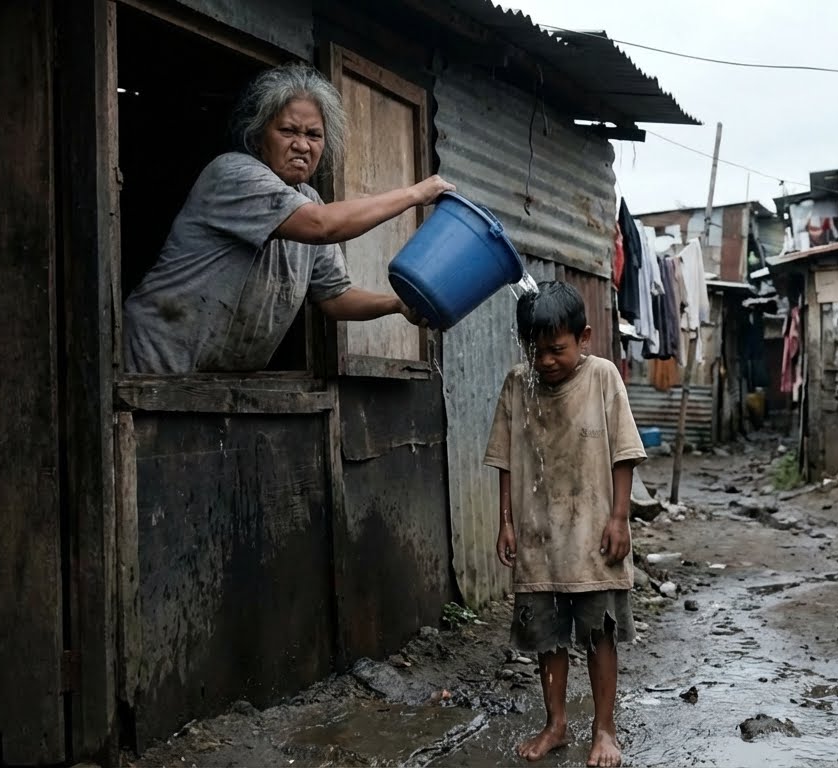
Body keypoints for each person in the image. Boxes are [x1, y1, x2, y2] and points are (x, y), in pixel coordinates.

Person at [122, 62, 454, 373]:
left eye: (314, 135)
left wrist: (396, 305)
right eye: (288, 131)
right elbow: (321, 225)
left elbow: (334, 297)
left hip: (213, 379)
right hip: (155, 359)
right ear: (258, 137)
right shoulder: (234, 174)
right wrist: (414, 195)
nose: (302, 145)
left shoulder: (308, 199)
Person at [483, 281, 647, 767]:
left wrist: (619, 518)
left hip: (594, 533)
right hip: (539, 534)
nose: (546, 361)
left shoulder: (603, 377)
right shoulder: (518, 384)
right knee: (546, 637)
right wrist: (506, 522)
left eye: (557, 349)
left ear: (584, 337)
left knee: (599, 633)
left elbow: (624, 453)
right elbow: (505, 460)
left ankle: (604, 730)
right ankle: (555, 724)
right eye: (536, 351)